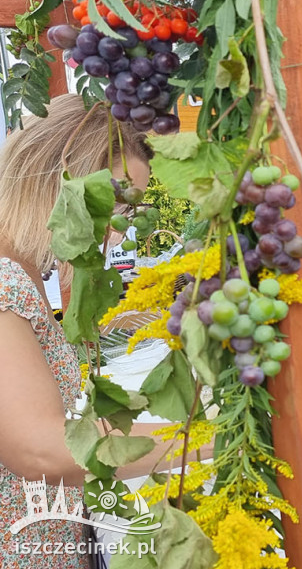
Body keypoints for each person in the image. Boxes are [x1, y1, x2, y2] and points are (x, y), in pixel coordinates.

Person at [0, 94, 165, 567]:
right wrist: (198, 437)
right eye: (116, 199)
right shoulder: (5, 277)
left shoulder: (23, 268)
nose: (117, 229)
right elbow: (41, 450)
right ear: (59, 175)